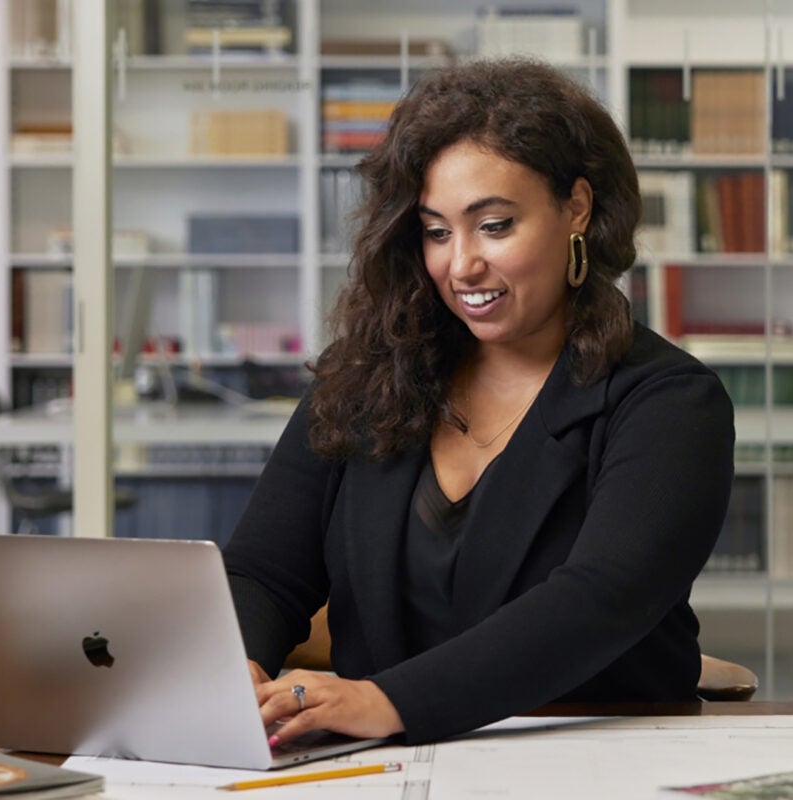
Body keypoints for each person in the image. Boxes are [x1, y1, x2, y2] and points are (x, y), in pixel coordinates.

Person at [222, 57, 734, 747]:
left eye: (493, 225)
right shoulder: (366, 377)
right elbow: (263, 573)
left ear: (576, 207)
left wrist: (387, 700)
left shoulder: (669, 403)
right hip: (378, 766)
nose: (460, 265)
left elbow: (600, 598)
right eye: (437, 231)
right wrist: (237, 670)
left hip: (591, 757)